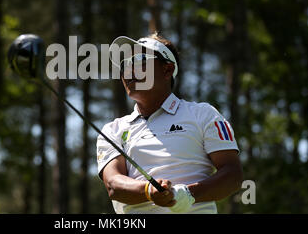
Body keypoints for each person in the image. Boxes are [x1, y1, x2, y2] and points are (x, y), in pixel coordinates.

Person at [96, 32, 243, 214]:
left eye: (140, 59)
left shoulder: (203, 114)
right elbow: (113, 184)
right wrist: (149, 191)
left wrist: (188, 194)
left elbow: (233, 175)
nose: (129, 69)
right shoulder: (112, 130)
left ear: (167, 70)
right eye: (125, 63)